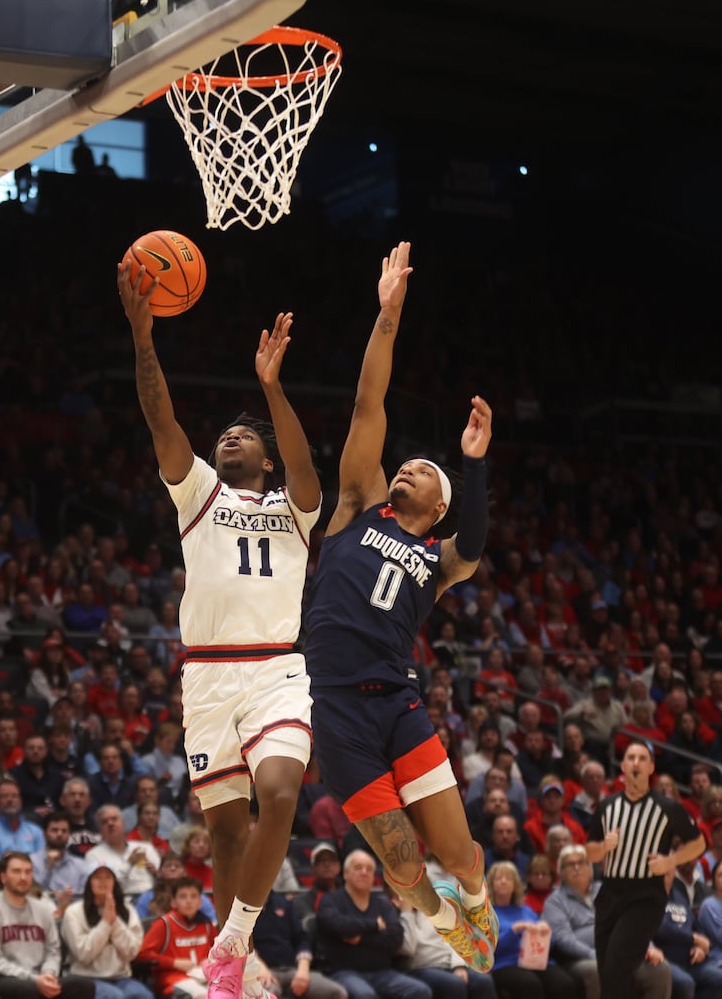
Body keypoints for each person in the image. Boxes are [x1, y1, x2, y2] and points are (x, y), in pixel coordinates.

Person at [118, 254, 321, 999]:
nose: (229, 438)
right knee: (226, 832)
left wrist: (271, 388)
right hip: (206, 675)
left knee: (280, 791)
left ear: (267, 458)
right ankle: (232, 965)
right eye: (226, 433)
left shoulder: (297, 511)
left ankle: (233, 944)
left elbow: (309, 471)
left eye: (245, 435)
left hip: (275, 668)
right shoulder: (199, 492)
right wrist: (144, 338)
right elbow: (160, 417)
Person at [302, 242, 497, 972]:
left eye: (423, 470)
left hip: (398, 706)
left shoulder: (439, 559)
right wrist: (385, 318)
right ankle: (447, 919)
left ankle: (473, 898)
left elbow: (471, 550)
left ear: (439, 505)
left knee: (460, 853)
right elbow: (366, 405)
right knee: (403, 863)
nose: (406, 468)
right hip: (338, 712)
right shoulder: (357, 506)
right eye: (405, 466)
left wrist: (472, 465)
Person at [585, 738, 707, 999]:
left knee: (617, 964)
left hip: (645, 897)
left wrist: (670, 861)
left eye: (642, 758)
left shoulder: (668, 807)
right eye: (630, 758)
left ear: (651, 767)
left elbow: (698, 843)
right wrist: (604, 847)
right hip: (609, 894)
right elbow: (590, 852)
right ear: (623, 767)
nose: (636, 763)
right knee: (607, 971)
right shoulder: (607, 806)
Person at [541, 843, 672, 999]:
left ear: (590, 868)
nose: (577, 868)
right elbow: (564, 939)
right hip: (580, 960)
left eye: (581, 862)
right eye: (570, 864)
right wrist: (597, 955)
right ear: (560, 872)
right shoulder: (555, 901)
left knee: (659, 968)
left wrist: (648, 947)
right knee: (596, 969)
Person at [0, 851, 95, 999]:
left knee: (83, 985)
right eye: (17, 872)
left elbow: (53, 950)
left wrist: (48, 974)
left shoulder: (42, 909)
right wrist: (34, 979)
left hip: (37, 977)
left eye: (28, 872)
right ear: (3, 878)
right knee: (27, 989)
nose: (23, 877)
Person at [315, 850, 431, 999]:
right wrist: (375, 926)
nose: (364, 872)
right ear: (345, 874)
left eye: (369, 869)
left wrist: (360, 939)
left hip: (381, 972)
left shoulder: (382, 904)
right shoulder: (331, 900)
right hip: (342, 971)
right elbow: (338, 926)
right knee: (365, 995)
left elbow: (395, 939)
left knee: (420, 991)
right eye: (358, 868)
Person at [60, 861, 151, 999]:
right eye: (97, 877)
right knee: (114, 996)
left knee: (143, 995)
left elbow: (132, 952)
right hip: (84, 978)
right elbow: (83, 954)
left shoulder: (128, 910)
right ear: (89, 882)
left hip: (120, 977)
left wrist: (115, 921)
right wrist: (106, 923)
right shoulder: (74, 912)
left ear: (114, 882)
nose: (103, 882)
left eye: (108, 877)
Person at [486, 860, 575, 999]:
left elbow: (549, 945)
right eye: (498, 878)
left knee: (564, 983)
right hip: (505, 963)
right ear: (491, 883)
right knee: (530, 985)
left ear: (515, 884)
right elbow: (487, 950)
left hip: (536, 961)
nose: (503, 881)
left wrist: (546, 933)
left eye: (508, 878)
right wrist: (513, 930)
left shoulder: (527, 911)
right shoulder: (487, 914)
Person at [391, 890, 497, 999]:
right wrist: (407, 912)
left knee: (483, 981)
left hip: (448, 964)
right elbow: (409, 949)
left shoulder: (431, 906)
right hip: (421, 967)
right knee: (454, 984)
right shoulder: (398, 913)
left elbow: (456, 937)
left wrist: (459, 966)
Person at [251, 888, 348, 999]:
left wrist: (303, 970)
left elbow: (301, 939)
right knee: (266, 995)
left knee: (337, 993)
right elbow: (241, 941)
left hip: (293, 970)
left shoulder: (284, 903)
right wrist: (258, 967)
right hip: (261, 971)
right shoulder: (240, 905)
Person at [137, 875, 217, 998]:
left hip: (204, 976)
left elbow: (219, 951)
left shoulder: (206, 924)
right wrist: (174, 963)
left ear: (200, 902)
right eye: (183, 896)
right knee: (203, 995)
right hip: (173, 979)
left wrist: (209, 961)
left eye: (194, 896)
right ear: (173, 902)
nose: (189, 901)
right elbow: (143, 955)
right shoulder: (164, 924)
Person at [651, 866, 722, 999]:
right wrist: (692, 938)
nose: (665, 874)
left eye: (668, 870)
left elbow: (696, 926)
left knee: (718, 979)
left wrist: (700, 947)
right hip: (666, 959)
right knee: (685, 983)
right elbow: (660, 928)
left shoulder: (679, 894)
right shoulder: (650, 897)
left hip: (691, 960)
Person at [0, 777, 45, 866]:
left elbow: (42, 862)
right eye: (4, 796)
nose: (10, 800)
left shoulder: (35, 831)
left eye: (14, 796)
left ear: (20, 800)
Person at [30, 810, 89, 914]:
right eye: (54, 830)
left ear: (69, 835)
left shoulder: (80, 865)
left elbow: (85, 898)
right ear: (44, 834)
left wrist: (66, 904)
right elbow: (32, 896)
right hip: (40, 915)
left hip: (71, 916)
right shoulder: (31, 862)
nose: (59, 834)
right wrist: (47, 868)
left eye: (64, 831)